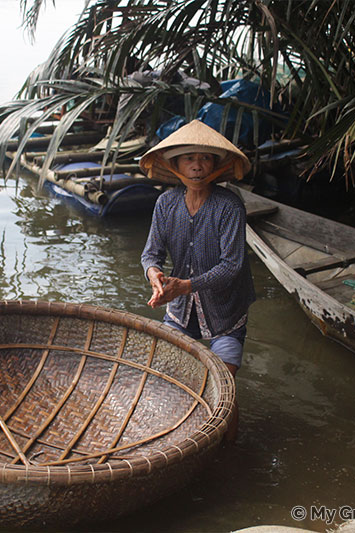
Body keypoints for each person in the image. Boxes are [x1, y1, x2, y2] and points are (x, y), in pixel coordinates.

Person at [139, 120, 255, 439]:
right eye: (189, 158)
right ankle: (173, 438)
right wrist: (155, 275)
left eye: (205, 158)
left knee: (223, 390)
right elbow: (150, 254)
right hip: (180, 309)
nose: (197, 165)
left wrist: (186, 286)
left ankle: (228, 446)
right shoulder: (166, 203)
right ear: (175, 165)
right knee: (167, 378)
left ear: (215, 165)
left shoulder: (229, 206)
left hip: (226, 310)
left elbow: (231, 266)